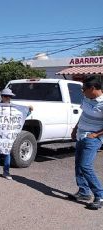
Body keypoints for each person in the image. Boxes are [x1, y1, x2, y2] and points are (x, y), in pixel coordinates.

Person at [69, 76, 103, 210]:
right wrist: (75, 129)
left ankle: (99, 195)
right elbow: (82, 115)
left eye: (84, 89)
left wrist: (95, 134)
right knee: (78, 165)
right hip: (80, 135)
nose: (82, 92)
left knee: (85, 166)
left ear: (93, 88)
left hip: (92, 139)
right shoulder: (87, 98)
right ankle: (83, 192)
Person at [0, 88, 32, 180]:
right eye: (5, 96)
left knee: (7, 153)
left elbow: (21, 116)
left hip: (8, 136)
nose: (7, 98)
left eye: (9, 96)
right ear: (2, 96)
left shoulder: (14, 108)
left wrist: (29, 111)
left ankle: (6, 172)